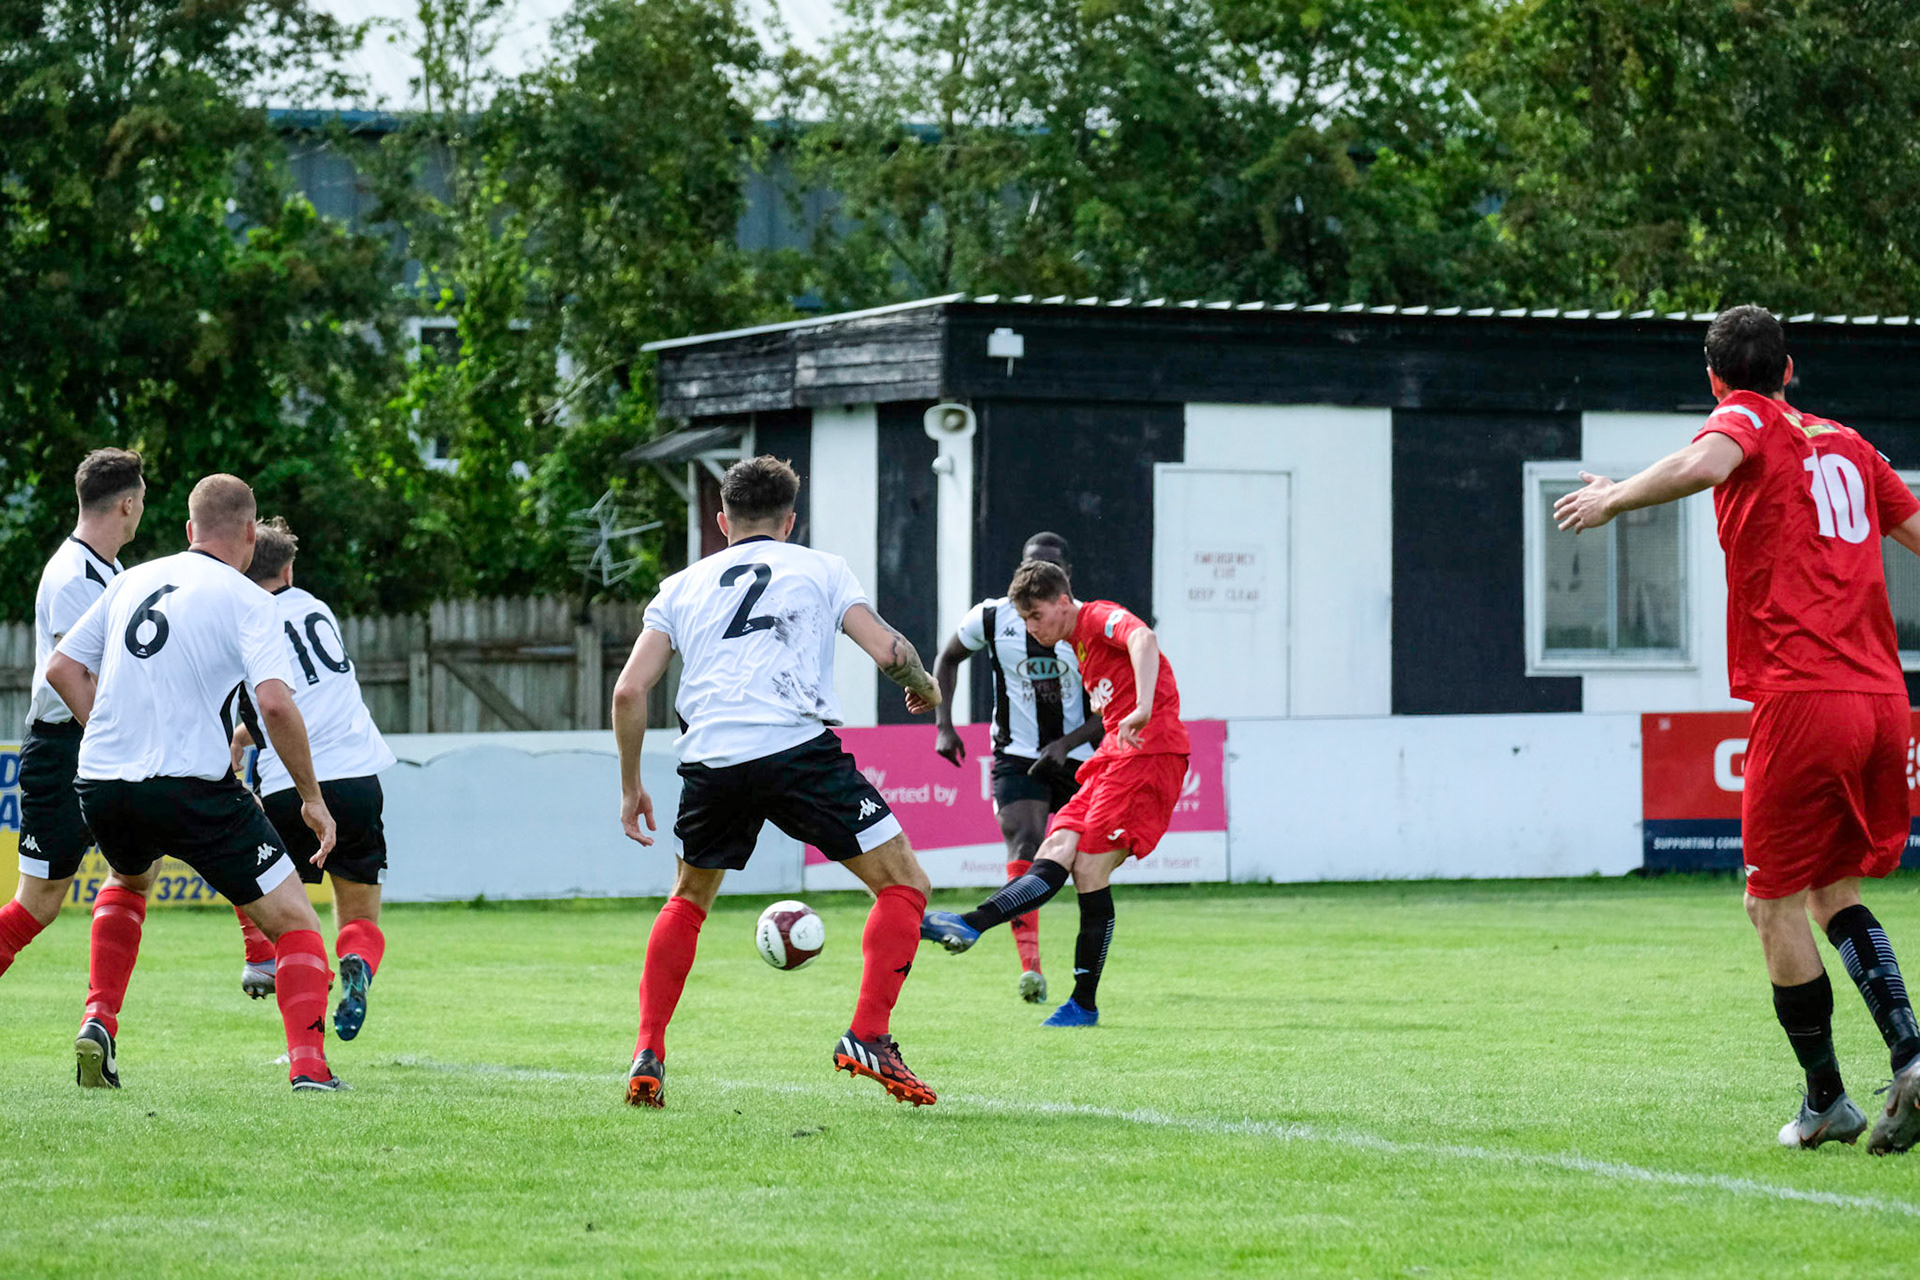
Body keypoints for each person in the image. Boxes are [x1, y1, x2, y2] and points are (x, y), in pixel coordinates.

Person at [1556, 304, 1920, 1154]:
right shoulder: (1849, 443)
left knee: (1770, 903)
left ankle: (1827, 1096)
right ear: (1791, 367)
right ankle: (1909, 1055)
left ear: (1715, 378)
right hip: (1881, 697)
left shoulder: (1743, 417)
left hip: (1804, 696)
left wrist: (1615, 498)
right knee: (1836, 889)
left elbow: (1707, 458)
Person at [610, 455, 944, 1109]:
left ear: (721, 522)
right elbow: (891, 653)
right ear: (790, 522)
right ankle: (869, 1036)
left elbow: (629, 690)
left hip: (712, 758)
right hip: (796, 748)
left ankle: (648, 1050)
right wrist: (924, 688)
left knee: (688, 899)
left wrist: (631, 787)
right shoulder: (822, 568)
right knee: (905, 884)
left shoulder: (680, 586)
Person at [44, 474, 346, 1093]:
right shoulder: (249, 599)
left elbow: (61, 668)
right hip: (190, 787)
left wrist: (107, 729)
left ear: (188, 531)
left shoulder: (129, 579)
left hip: (102, 781)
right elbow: (276, 706)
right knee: (295, 923)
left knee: (129, 878)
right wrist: (312, 798)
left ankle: (99, 1020)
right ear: (247, 534)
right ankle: (310, 1069)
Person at [922, 559, 1190, 1028]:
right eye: (1024, 620)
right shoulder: (1078, 644)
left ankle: (1082, 1002)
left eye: (1036, 616)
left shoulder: (1095, 617)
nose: (1031, 627)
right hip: (1112, 756)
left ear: (1063, 602)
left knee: (1088, 864)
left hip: (1149, 755)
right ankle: (972, 923)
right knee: (1057, 846)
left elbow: (1142, 638)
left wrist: (1144, 707)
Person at [226, 517, 396, 1041]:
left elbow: (269, 708)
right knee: (360, 916)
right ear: (289, 568)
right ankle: (358, 965)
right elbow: (315, 696)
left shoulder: (244, 622)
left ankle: (303, 1041)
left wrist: (239, 736)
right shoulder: (319, 610)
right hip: (357, 778)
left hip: (290, 789)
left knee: (292, 928)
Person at [930, 532, 1102, 1003]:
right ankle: (1032, 969)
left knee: (1084, 867)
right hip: (1016, 754)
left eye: (1049, 567)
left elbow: (1109, 706)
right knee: (1025, 842)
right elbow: (948, 658)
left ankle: (1085, 986)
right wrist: (943, 724)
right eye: (1029, 566)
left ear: (1066, 576)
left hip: (1080, 758)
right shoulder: (991, 616)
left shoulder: (1084, 625)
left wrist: (1067, 744)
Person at [0, 450, 146, 981]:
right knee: (37, 905)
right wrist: (116, 741)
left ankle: (100, 1020)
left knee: (139, 872)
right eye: (144, 500)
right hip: (66, 748)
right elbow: (72, 673)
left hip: (91, 745)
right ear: (128, 505)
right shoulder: (72, 575)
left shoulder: (111, 570)